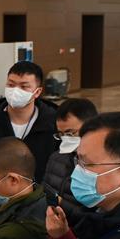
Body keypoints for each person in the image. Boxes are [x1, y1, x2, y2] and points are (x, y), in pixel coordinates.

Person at [0, 61, 58, 182]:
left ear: (38, 92)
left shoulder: (52, 124)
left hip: (42, 195)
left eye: (24, 86)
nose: (15, 91)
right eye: (11, 85)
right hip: (0, 193)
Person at [42, 98, 98, 229]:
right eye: (61, 135)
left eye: (70, 133)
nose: (65, 139)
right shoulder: (56, 158)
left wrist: (61, 203)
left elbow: (97, 217)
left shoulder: (103, 167)